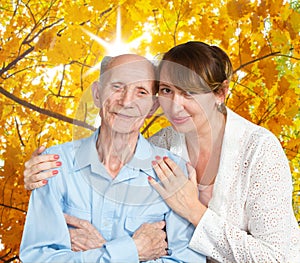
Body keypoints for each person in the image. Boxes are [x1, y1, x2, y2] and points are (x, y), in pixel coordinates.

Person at [23, 42, 300, 262]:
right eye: (167, 90)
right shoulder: (162, 148)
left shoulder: (258, 151)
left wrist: (193, 211)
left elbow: (282, 259)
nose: (175, 107)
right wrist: (37, 173)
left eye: (189, 93)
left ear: (221, 93)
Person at [20, 54, 206, 262]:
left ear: (152, 108)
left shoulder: (173, 172)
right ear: (97, 94)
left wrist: (105, 251)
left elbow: (186, 260)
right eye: (117, 87)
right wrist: (134, 251)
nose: (126, 101)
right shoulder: (53, 165)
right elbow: (38, 258)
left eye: (141, 92)